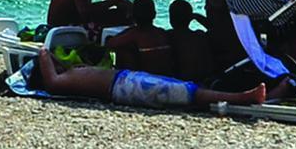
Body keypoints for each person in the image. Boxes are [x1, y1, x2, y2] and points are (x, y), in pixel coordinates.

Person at [29, 44, 266, 110]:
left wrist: (51, 57)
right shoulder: (60, 82)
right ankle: (243, 98)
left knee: (184, 88)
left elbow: (54, 62)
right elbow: (50, 77)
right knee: (186, 93)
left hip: (127, 80)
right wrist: (42, 52)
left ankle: (247, 97)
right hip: (125, 88)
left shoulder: (70, 73)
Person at [108, 0, 173, 74]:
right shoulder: (163, 34)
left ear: (133, 15)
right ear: (154, 14)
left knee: (123, 50)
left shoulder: (133, 35)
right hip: (165, 78)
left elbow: (110, 43)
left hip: (143, 78)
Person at [167, 0, 216, 84]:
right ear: (190, 18)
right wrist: (196, 16)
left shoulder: (167, 36)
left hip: (177, 83)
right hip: (201, 82)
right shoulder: (200, 36)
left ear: (171, 19)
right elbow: (214, 29)